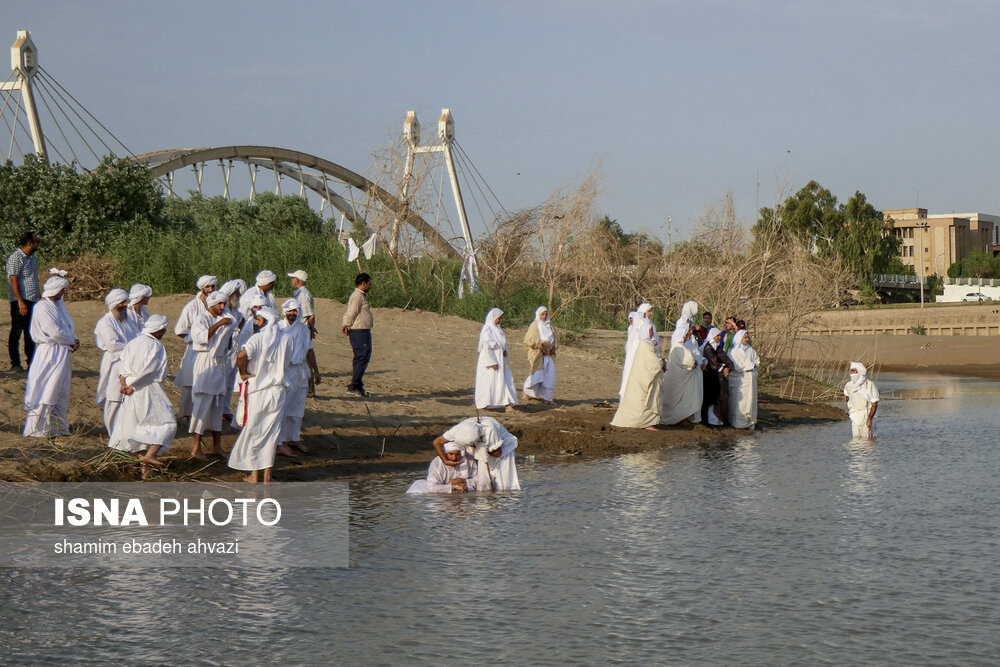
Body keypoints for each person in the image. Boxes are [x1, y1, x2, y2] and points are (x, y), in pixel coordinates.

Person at [227, 308, 294, 483]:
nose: (256, 323)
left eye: (258, 320)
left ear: (264, 321)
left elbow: (241, 356)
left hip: (258, 391)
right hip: (278, 391)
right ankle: (267, 477)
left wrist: (243, 373)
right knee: (272, 433)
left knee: (255, 431)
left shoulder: (257, 338)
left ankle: (254, 475)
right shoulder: (287, 339)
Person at [108, 314, 176, 479]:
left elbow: (122, 367)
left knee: (140, 428)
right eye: (163, 329)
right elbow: (149, 369)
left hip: (131, 391)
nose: (164, 332)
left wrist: (124, 384)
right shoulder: (156, 345)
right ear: (158, 329)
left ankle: (145, 472)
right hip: (147, 388)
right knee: (167, 423)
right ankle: (151, 455)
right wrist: (133, 385)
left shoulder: (133, 343)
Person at [23, 276, 79, 437]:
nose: (63, 292)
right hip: (49, 353)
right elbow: (53, 331)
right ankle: (38, 429)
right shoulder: (42, 306)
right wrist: (71, 341)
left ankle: (58, 427)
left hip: (62, 352)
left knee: (60, 390)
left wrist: (73, 340)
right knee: (46, 388)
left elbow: (66, 327)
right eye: (62, 289)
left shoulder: (58, 305)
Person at [189, 291, 235, 460]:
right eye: (219, 304)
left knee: (218, 406)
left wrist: (225, 325)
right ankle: (195, 448)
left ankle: (217, 446)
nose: (222, 307)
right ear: (211, 305)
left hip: (220, 363)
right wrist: (219, 324)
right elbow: (200, 337)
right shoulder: (201, 318)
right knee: (203, 405)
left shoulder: (225, 318)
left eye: (224, 304)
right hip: (206, 362)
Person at [278, 298, 321, 456]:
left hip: (301, 371)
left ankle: (294, 438)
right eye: (290, 311)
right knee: (283, 407)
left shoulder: (304, 329)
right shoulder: (278, 328)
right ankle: (280, 441)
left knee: (297, 408)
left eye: (295, 311)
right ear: (285, 312)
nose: (292, 313)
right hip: (285, 371)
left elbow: (310, 350)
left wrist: (316, 371)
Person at [431, 416, 521, 491]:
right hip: (482, 453)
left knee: (505, 486)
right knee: (483, 485)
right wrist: (445, 460)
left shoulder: (490, 430)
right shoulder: (457, 430)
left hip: (503, 452)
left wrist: (480, 448)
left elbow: (497, 452)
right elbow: (437, 442)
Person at [93, 288, 138, 435]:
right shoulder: (105, 322)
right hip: (115, 364)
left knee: (128, 399)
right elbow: (113, 345)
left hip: (131, 363)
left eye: (126, 301)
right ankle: (113, 434)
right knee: (114, 398)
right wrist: (134, 349)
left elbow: (138, 337)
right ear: (113, 304)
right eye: (122, 302)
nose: (125, 305)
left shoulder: (128, 320)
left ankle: (125, 433)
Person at [174, 275, 216, 420]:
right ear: (202, 288)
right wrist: (194, 338)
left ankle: (205, 415)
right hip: (194, 350)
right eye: (207, 287)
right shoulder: (192, 306)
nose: (210, 290)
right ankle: (187, 415)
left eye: (213, 287)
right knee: (190, 382)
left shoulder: (216, 304)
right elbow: (180, 329)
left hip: (211, 350)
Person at [611, 317, 664, 430]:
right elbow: (652, 362)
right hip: (643, 378)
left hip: (644, 377)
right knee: (643, 400)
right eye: (650, 330)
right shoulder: (645, 345)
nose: (652, 332)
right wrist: (662, 362)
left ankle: (649, 421)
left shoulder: (647, 344)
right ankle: (645, 423)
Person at [7, 231, 40, 372]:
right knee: (16, 330)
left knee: (30, 332)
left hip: (33, 299)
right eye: (36, 241)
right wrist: (20, 301)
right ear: (30, 243)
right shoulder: (15, 258)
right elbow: (13, 279)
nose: (38, 243)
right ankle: (15, 363)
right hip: (20, 299)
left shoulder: (31, 258)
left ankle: (31, 363)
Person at [660, 320, 703, 425]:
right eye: (685, 334)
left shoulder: (676, 346)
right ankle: (678, 418)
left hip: (676, 377)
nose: (686, 336)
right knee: (679, 399)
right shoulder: (679, 347)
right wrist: (694, 363)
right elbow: (689, 361)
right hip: (680, 379)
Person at [405, 441, 489, 494]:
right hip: (441, 489)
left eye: (457, 454)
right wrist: (452, 486)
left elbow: (478, 479)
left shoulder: (468, 459)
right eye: (451, 454)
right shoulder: (437, 463)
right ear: (445, 454)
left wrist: (462, 481)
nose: (454, 458)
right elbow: (432, 487)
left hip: (464, 487)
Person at [475, 308, 518, 412]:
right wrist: (491, 362)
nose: (500, 320)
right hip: (491, 361)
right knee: (488, 382)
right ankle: (485, 404)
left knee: (505, 380)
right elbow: (486, 346)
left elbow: (502, 344)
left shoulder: (498, 330)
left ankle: (507, 404)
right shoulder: (487, 329)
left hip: (500, 359)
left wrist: (504, 351)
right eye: (499, 318)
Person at [341, 272, 373, 397]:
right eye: (369, 284)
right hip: (359, 332)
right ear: (363, 284)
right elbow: (351, 312)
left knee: (362, 358)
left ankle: (358, 386)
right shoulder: (357, 296)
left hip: (363, 331)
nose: (370, 286)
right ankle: (354, 387)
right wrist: (346, 324)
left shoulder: (361, 296)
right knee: (361, 358)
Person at [522, 306, 557, 404]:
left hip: (549, 354)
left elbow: (555, 339)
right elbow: (530, 340)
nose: (544, 316)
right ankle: (526, 392)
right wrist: (541, 346)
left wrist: (551, 348)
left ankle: (547, 397)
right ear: (538, 315)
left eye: (546, 314)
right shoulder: (535, 325)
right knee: (537, 373)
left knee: (550, 375)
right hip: (538, 353)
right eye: (542, 314)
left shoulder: (550, 326)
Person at [700, 327, 734, 426]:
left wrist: (727, 368)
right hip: (708, 377)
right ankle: (706, 421)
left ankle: (718, 420)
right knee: (708, 399)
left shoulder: (718, 348)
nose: (719, 337)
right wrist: (723, 367)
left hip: (716, 377)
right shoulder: (707, 348)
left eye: (720, 335)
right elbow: (713, 364)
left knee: (720, 399)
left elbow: (729, 362)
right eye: (717, 336)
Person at [728, 330, 759, 429]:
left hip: (750, 380)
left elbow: (756, 361)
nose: (747, 339)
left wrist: (753, 365)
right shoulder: (734, 352)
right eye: (745, 337)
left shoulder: (750, 350)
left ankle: (749, 422)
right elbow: (737, 366)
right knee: (740, 403)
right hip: (739, 381)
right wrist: (750, 366)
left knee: (750, 401)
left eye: (747, 337)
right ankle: (738, 423)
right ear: (739, 338)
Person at [844, 361, 879, 439]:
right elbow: (847, 397)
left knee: (868, 441)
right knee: (855, 440)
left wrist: (869, 418)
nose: (852, 373)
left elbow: (874, 404)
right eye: (851, 371)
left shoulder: (869, 385)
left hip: (867, 414)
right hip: (855, 415)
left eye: (854, 371)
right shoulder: (848, 385)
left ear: (859, 371)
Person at [288, 270, 315, 336]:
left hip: (302, 331)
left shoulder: (303, 295)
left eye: (293, 278)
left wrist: (311, 330)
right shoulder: (299, 293)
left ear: (297, 280)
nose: (292, 280)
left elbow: (311, 316)